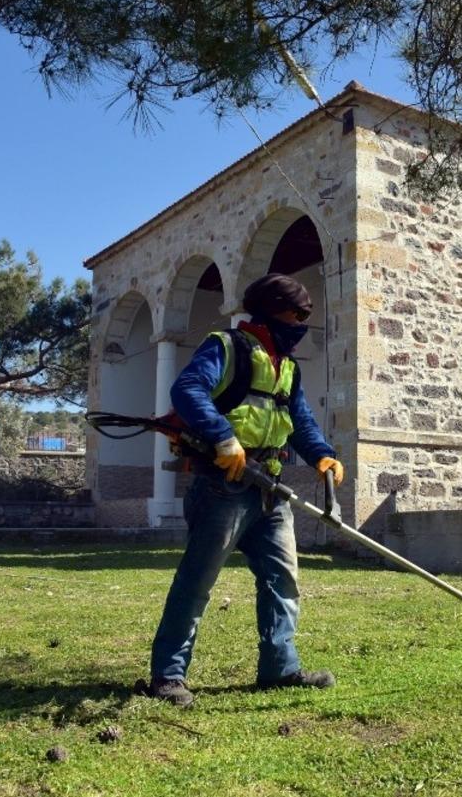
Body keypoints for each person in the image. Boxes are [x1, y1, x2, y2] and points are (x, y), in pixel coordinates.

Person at [148, 272, 345, 708]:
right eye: (299, 313)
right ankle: (167, 675)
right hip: (223, 486)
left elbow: (300, 419)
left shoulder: (287, 366)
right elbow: (187, 390)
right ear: (275, 310)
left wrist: (322, 456)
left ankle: (280, 669)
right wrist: (222, 436)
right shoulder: (226, 346)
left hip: (269, 489)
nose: (303, 321)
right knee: (198, 582)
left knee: (283, 580)